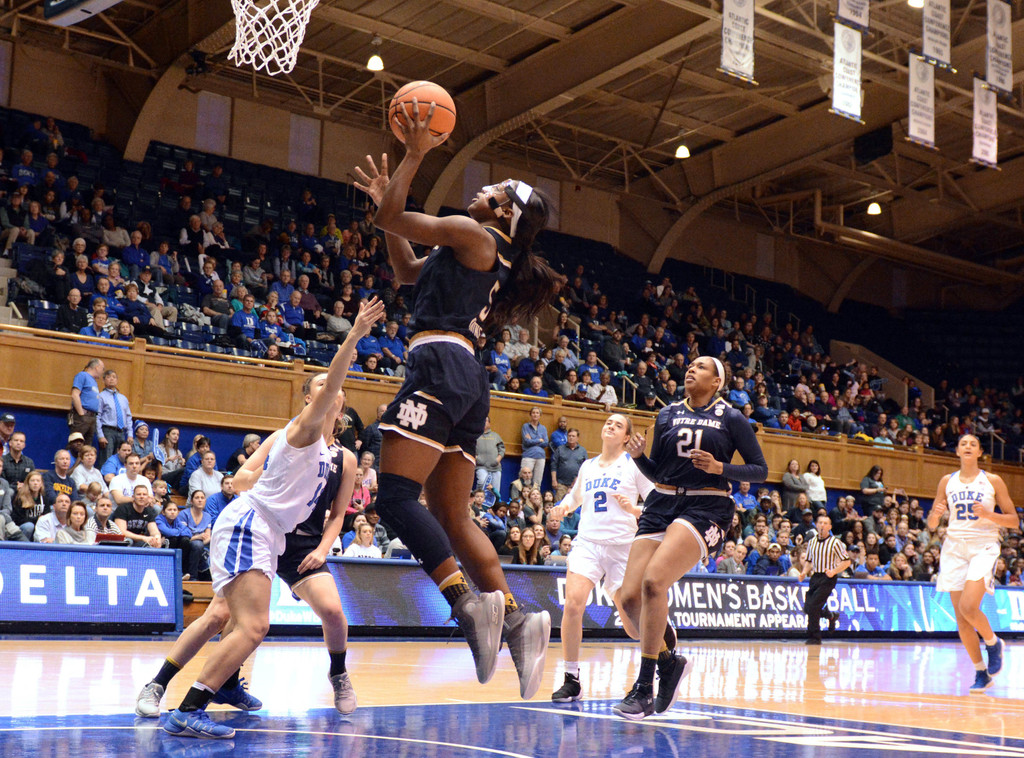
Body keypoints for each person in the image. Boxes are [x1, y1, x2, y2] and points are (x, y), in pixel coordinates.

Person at [354, 110, 563, 701]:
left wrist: (416, 154)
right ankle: (516, 618)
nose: (481, 189)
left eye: (493, 189)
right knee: (452, 514)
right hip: (467, 376)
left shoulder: (474, 234)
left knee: (395, 498)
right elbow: (404, 269)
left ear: (504, 211)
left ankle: (466, 603)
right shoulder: (477, 248)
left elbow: (392, 215)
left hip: (439, 363)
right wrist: (389, 201)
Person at [159, 299, 382, 739]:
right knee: (246, 623)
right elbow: (243, 479)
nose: (332, 391)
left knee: (252, 626)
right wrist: (354, 336)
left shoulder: (339, 454)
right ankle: (185, 704)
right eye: (324, 387)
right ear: (311, 399)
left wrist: (322, 545)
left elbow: (338, 511)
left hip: (274, 534)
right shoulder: (301, 431)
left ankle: (202, 700)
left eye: (336, 389)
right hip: (252, 523)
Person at [614, 356, 767, 720]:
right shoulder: (666, 414)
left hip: (706, 505)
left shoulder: (731, 417)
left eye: (701, 367)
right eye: (690, 365)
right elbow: (658, 472)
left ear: (716, 382)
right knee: (628, 598)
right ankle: (669, 663)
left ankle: (644, 688)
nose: (691, 369)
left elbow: (760, 470)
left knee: (654, 582)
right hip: (662, 501)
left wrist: (720, 467)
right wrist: (638, 457)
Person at [549, 413, 653, 702]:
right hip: (588, 545)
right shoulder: (588, 465)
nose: (611, 426)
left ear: (626, 436)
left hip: (622, 548)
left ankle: (662, 650)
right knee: (573, 604)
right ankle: (571, 678)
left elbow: (657, 505)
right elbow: (575, 498)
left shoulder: (633, 465)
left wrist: (634, 510)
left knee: (633, 628)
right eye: (609, 422)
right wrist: (562, 508)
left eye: (618, 425)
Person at [930, 434, 1019, 693]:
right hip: (954, 547)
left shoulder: (993, 480)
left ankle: (993, 642)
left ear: (980, 452)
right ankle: (981, 672)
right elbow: (933, 524)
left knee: (969, 606)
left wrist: (990, 514)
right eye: (963, 444)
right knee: (962, 618)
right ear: (957, 451)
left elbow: (1014, 520)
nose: (968, 447)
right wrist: (935, 516)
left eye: (973, 444)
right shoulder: (946, 481)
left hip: (983, 545)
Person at [798, 514, 849, 645]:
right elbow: (809, 561)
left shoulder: (835, 543)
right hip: (815, 576)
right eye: (820, 523)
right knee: (808, 607)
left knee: (814, 606)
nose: (822, 525)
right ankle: (830, 616)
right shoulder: (812, 542)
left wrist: (834, 571)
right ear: (816, 525)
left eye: (825, 523)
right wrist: (803, 572)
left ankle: (814, 637)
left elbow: (846, 561)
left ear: (830, 527)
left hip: (828, 577)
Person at [96, 370, 133, 466]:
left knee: (121, 458)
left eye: (114, 377)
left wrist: (130, 434)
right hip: (107, 431)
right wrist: (100, 436)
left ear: (117, 380)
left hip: (121, 432)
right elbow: (97, 416)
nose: (111, 379)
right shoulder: (101, 396)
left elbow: (128, 417)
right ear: (103, 380)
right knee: (106, 459)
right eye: (108, 377)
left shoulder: (123, 398)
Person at [69, 358, 104, 442]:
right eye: (102, 369)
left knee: (87, 447)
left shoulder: (94, 381)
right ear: (97, 367)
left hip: (92, 417)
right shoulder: (82, 375)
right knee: (76, 443)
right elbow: (75, 395)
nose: (102, 372)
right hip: (82, 416)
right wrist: (81, 415)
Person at [550, 428, 587, 502]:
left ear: (577, 438)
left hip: (576, 485)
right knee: (558, 504)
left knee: (575, 505)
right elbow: (553, 465)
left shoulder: (582, 451)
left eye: (573, 436)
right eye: (569, 436)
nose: (571, 438)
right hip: (561, 484)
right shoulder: (560, 449)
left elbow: (585, 468)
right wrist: (554, 480)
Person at [474, 417, 505, 498]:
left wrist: (498, 459)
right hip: (481, 466)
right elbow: (470, 448)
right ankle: (478, 502)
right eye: (482, 420)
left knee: (495, 489)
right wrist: (477, 458)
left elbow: (502, 449)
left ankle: (494, 505)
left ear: (489, 423)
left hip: (495, 467)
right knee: (482, 482)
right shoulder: (475, 435)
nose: (484, 422)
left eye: (486, 421)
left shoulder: (495, 436)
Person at [520, 407, 549, 489]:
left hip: (541, 457)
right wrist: (539, 440)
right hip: (528, 456)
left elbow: (546, 443)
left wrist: (532, 440)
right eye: (533, 413)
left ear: (540, 415)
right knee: (525, 481)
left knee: (537, 482)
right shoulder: (525, 426)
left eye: (537, 413)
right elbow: (526, 441)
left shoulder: (543, 428)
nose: (535, 414)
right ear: (530, 414)